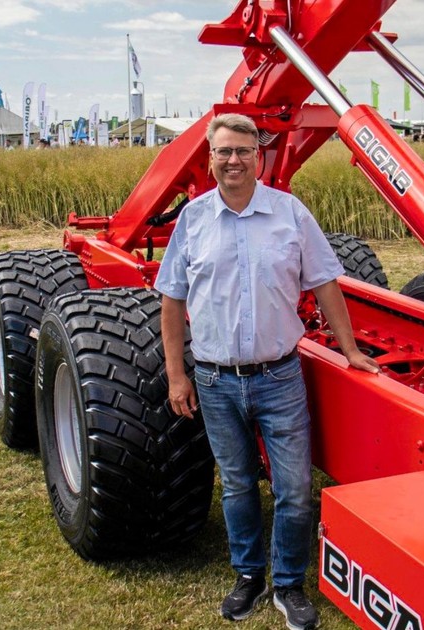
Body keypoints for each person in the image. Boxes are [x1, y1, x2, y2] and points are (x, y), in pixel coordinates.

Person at [155, 113, 379, 630]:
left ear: (258, 157)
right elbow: (172, 300)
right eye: (224, 151)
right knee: (236, 485)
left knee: (294, 489)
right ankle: (249, 576)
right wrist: (176, 374)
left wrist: (349, 349)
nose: (233, 160)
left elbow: (325, 283)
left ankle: (288, 584)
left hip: (279, 377)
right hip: (214, 380)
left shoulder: (290, 214)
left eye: (243, 151)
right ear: (210, 158)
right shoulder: (193, 220)